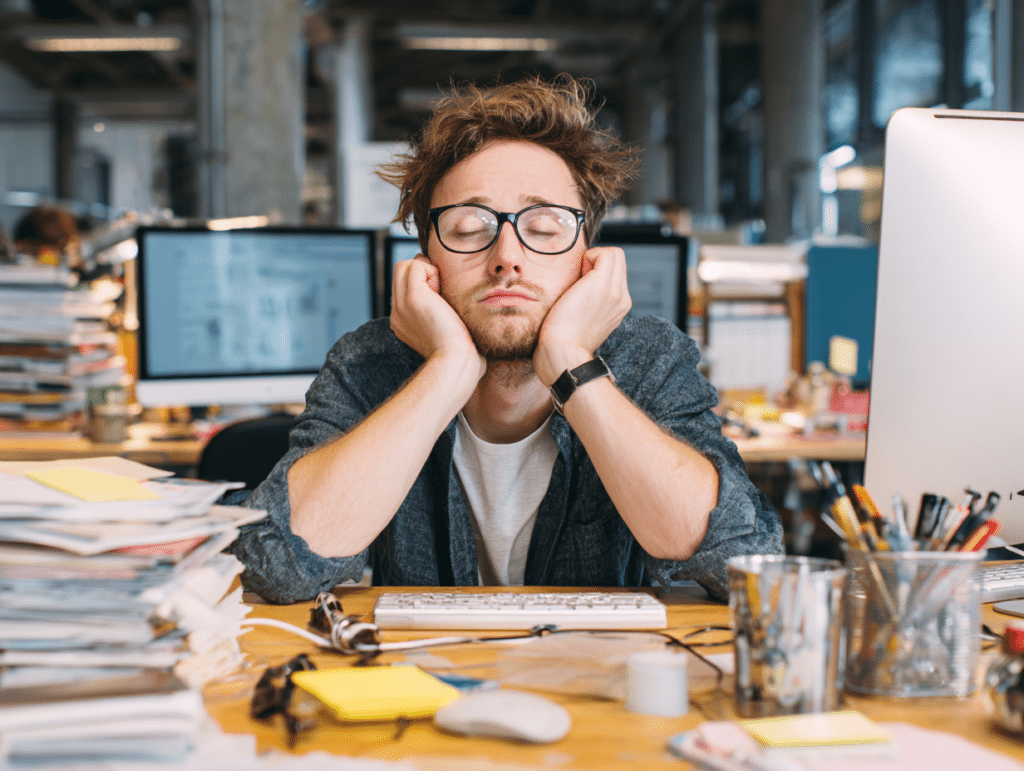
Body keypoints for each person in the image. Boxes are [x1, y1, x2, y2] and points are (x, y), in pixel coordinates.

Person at [232, 74, 783, 604]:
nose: (507, 259)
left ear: (586, 256)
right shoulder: (368, 361)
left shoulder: (648, 358)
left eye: (544, 229)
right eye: (469, 230)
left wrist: (572, 362)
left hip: (601, 681)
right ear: (426, 258)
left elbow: (744, 564)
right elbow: (277, 566)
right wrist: (446, 369)